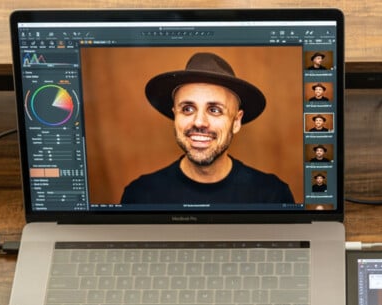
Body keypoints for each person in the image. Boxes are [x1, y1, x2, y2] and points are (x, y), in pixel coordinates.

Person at [121, 52, 294, 204]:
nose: (199, 122)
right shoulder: (140, 196)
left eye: (214, 110)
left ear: (236, 121)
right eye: (187, 109)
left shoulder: (272, 196)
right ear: (175, 115)